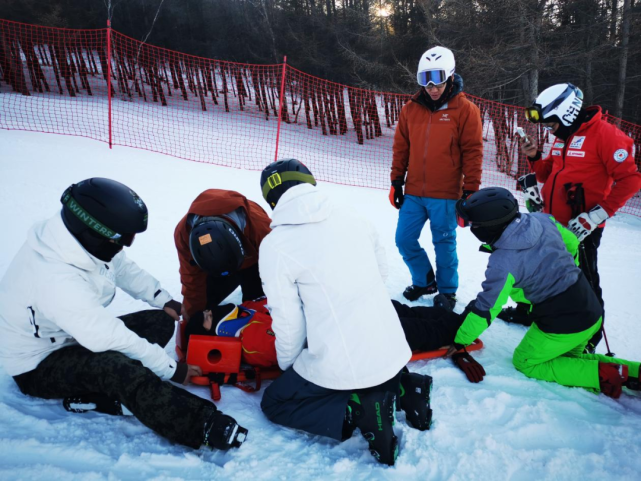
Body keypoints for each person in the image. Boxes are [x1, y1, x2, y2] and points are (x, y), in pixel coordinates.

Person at [0, 178, 246, 450]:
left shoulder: (80, 240)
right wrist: (173, 370)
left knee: (161, 321)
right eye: (124, 238)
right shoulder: (55, 280)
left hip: (71, 335)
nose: (126, 245)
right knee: (117, 368)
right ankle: (202, 425)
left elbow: (123, 269)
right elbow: (108, 337)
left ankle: (104, 394)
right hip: (38, 364)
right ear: (94, 231)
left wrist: (164, 300)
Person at [257, 159, 434, 466]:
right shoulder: (351, 213)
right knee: (368, 365)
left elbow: (288, 320)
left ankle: (360, 410)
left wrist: (290, 363)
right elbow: (381, 272)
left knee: (276, 402)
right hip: (391, 346)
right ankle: (407, 387)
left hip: (343, 360)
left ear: (272, 200)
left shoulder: (276, 245)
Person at [449, 187, 641, 399]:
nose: (469, 227)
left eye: (470, 224)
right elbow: (572, 242)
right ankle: (633, 371)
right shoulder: (542, 219)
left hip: (563, 324)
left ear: (488, 227)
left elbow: (487, 308)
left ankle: (601, 375)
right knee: (567, 360)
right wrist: (564, 271)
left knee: (525, 361)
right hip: (591, 308)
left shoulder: (503, 263)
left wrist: (460, 341)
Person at [518, 83, 641, 352]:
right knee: (544, 273)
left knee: (584, 281)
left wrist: (597, 215)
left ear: (566, 113)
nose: (549, 129)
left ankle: (590, 337)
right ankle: (532, 313)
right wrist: (535, 157)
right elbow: (547, 172)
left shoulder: (606, 135)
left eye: (551, 123)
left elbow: (631, 180)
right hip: (554, 222)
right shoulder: (566, 136)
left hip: (582, 227)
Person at [390, 45, 483, 307]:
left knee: (444, 244)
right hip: (414, 192)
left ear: (451, 76)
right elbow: (401, 148)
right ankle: (424, 280)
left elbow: (473, 151)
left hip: (445, 194)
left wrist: (471, 190)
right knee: (404, 239)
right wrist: (397, 181)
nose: (432, 86)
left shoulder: (465, 110)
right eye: (425, 80)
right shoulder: (410, 109)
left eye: (438, 79)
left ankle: (447, 290)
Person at [174, 189, 272, 339]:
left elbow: (281, 270)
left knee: (257, 305)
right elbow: (191, 278)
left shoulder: (261, 228)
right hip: (214, 268)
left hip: (254, 262)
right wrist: (193, 315)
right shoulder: (183, 234)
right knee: (204, 308)